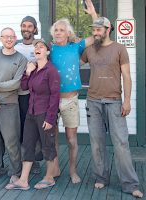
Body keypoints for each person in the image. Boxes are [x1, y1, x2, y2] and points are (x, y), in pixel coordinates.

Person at [81, 17, 143, 198]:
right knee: (97, 143)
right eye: (94, 29)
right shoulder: (89, 50)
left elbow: (127, 76)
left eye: (99, 30)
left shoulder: (119, 49)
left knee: (121, 144)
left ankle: (131, 184)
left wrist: (127, 101)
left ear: (108, 29)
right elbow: (74, 65)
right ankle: (101, 177)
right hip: (92, 102)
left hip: (115, 101)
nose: (95, 32)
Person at [49, 0, 97, 183]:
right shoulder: (48, 48)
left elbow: (98, 35)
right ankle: (54, 168)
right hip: (52, 101)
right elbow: (26, 43)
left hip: (71, 100)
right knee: (52, 138)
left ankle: (73, 170)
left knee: (71, 140)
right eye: (56, 30)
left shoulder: (76, 46)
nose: (58, 32)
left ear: (69, 33)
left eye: (62, 30)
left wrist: (93, 13)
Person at [5, 39, 60, 190]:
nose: (37, 48)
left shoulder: (51, 71)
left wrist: (50, 118)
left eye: (41, 47)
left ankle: (49, 177)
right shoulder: (33, 69)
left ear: (47, 52)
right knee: (28, 145)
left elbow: (55, 96)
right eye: (36, 47)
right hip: (31, 112)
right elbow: (23, 86)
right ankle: (23, 180)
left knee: (47, 146)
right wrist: (28, 72)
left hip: (44, 114)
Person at [0, 27, 27, 183]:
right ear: (0, 39)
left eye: (11, 37)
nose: (9, 39)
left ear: (15, 38)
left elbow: (15, 83)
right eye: (5, 37)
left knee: (11, 141)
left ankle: (16, 171)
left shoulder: (21, 59)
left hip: (9, 105)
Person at [14, 16, 42, 174]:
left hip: (35, 95)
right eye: (23, 25)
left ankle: (34, 161)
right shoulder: (15, 46)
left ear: (35, 29)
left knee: (33, 131)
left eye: (30, 26)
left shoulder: (40, 46)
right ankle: (21, 161)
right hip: (17, 95)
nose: (26, 29)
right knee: (19, 129)